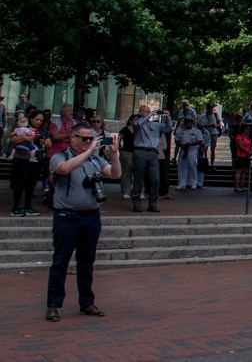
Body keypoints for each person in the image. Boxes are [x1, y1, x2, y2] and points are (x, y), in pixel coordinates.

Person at [45, 123, 121, 322]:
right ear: (73, 138)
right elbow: (64, 169)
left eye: (91, 139)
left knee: (87, 262)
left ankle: (86, 302)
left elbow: (115, 174)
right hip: (67, 217)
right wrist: (89, 153)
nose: (88, 142)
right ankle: (53, 304)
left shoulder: (96, 159)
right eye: (84, 138)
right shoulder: (59, 157)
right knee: (61, 262)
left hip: (91, 216)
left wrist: (114, 154)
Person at [130, 106, 172, 213]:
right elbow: (138, 124)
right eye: (146, 111)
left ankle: (152, 204)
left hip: (153, 152)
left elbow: (168, 128)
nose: (149, 113)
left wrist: (168, 118)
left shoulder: (155, 124)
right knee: (138, 179)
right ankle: (136, 204)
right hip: (140, 151)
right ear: (140, 112)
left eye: (150, 111)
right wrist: (150, 115)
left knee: (155, 179)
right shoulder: (137, 122)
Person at [9, 110, 51, 216]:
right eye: (36, 119)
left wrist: (45, 142)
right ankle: (16, 206)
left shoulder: (43, 130)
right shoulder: (23, 128)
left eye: (41, 120)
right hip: (22, 159)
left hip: (37, 160)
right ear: (31, 119)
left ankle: (28, 205)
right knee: (20, 182)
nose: (38, 122)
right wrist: (25, 138)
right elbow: (13, 139)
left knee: (32, 182)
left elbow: (49, 145)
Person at [174, 116, 202, 191]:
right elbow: (176, 140)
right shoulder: (181, 131)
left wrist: (191, 143)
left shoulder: (196, 131)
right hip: (183, 149)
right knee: (182, 166)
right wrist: (181, 144)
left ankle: (193, 182)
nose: (187, 124)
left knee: (192, 165)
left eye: (188, 122)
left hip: (192, 149)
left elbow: (199, 140)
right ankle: (182, 183)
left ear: (191, 123)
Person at [197, 103, 222, 171]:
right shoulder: (203, 116)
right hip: (206, 133)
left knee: (213, 149)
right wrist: (207, 126)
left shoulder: (215, 115)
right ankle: (205, 163)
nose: (211, 110)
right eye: (209, 108)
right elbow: (199, 125)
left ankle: (212, 165)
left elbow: (218, 124)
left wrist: (215, 126)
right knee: (205, 149)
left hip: (214, 133)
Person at [233, 124, 252, 192]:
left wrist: (250, 152)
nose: (248, 130)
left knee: (244, 170)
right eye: (247, 129)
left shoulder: (248, 137)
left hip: (246, 156)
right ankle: (236, 185)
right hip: (241, 155)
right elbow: (240, 146)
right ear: (244, 129)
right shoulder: (239, 136)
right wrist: (248, 151)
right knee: (239, 170)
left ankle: (242, 185)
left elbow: (250, 145)